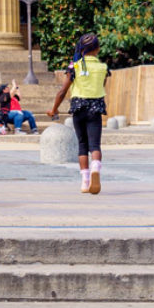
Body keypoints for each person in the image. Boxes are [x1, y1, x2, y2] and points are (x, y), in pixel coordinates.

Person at [47, 32, 109, 194]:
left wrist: (54, 109)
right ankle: (96, 168)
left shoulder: (74, 66)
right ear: (97, 49)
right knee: (95, 145)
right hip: (95, 108)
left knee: (82, 145)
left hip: (78, 108)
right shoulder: (103, 68)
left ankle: (85, 181)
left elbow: (62, 91)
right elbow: (102, 86)